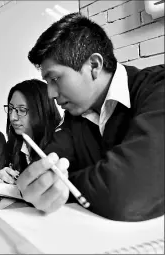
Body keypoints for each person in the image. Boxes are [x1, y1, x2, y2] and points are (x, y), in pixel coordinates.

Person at [19, 12, 164, 221]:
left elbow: (126, 191)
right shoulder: (74, 117)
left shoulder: (157, 89)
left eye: (55, 78)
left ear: (94, 66)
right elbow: (47, 170)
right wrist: (39, 184)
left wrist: (67, 186)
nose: (50, 93)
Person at [0, 79, 61, 184]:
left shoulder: (60, 146)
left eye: (22, 110)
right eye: (10, 109)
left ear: (41, 111)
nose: (12, 117)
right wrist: (2, 177)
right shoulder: (12, 146)